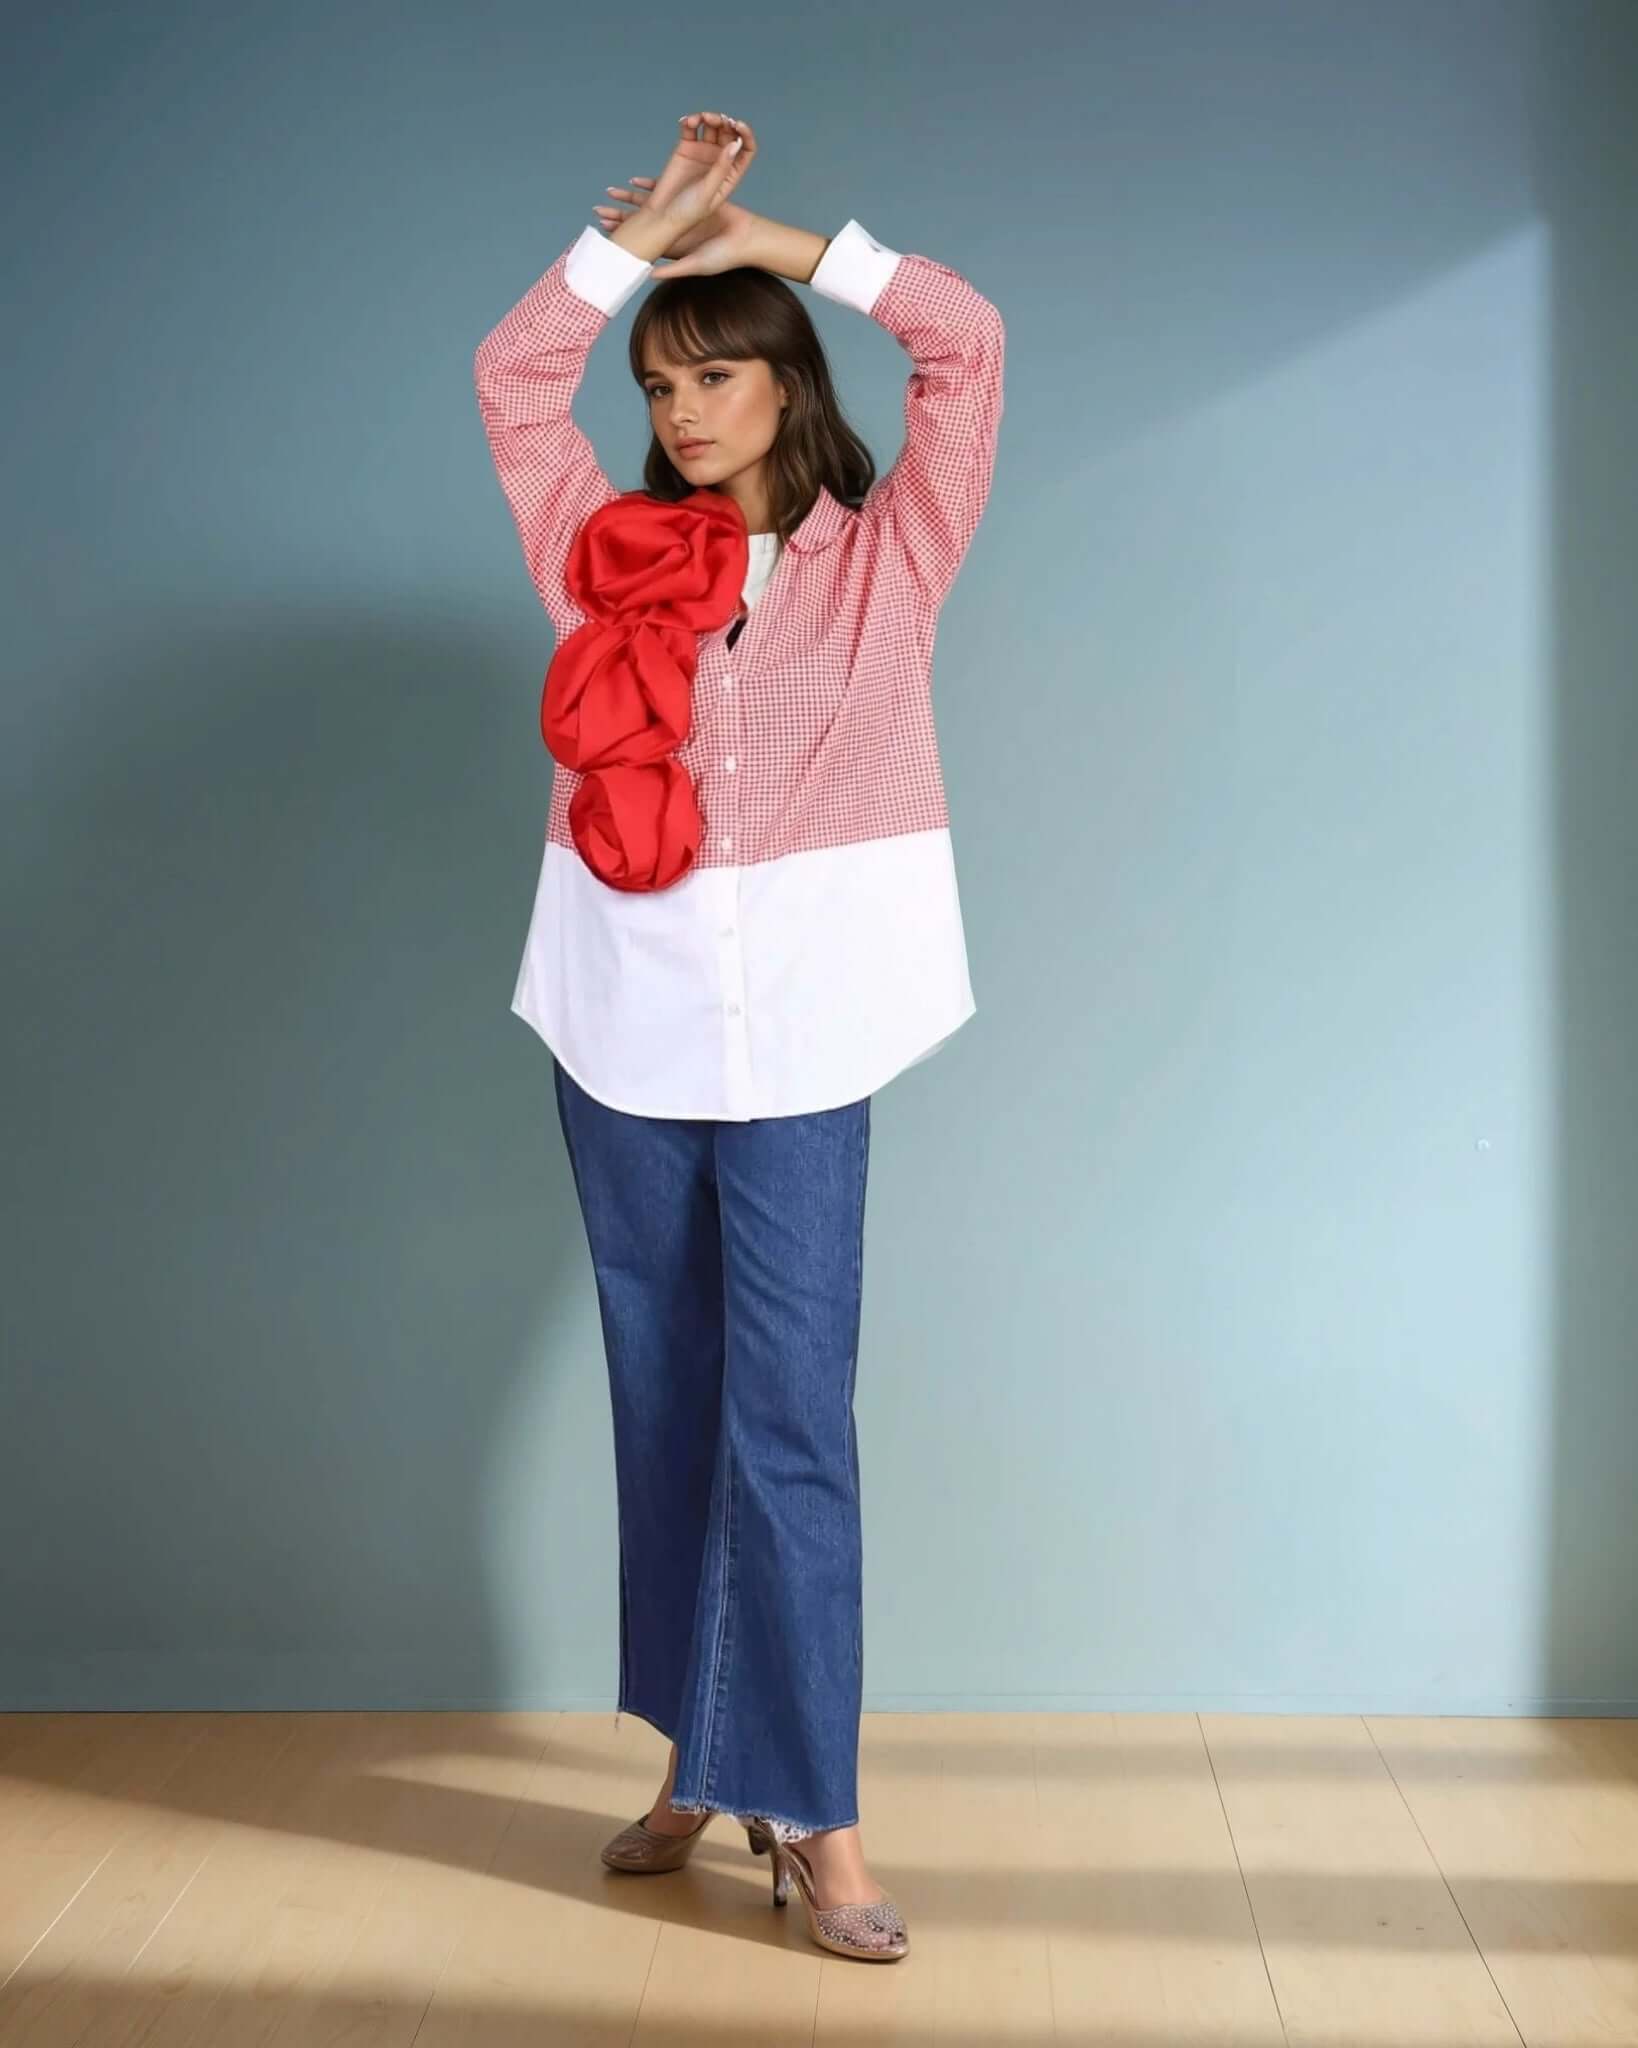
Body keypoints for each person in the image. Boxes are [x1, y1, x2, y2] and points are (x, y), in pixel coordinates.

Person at [473, 111, 1004, 1963]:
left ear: (782, 384)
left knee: (791, 1421)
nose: (680, 406)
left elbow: (968, 339)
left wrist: (768, 236)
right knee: (665, 1392)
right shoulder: (598, 553)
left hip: (808, 1035)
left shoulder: (887, 561)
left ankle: (820, 1818)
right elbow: (509, 377)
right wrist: (635, 250)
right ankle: (704, 1757)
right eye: (659, 380)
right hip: (621, 1021)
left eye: (714, 374)